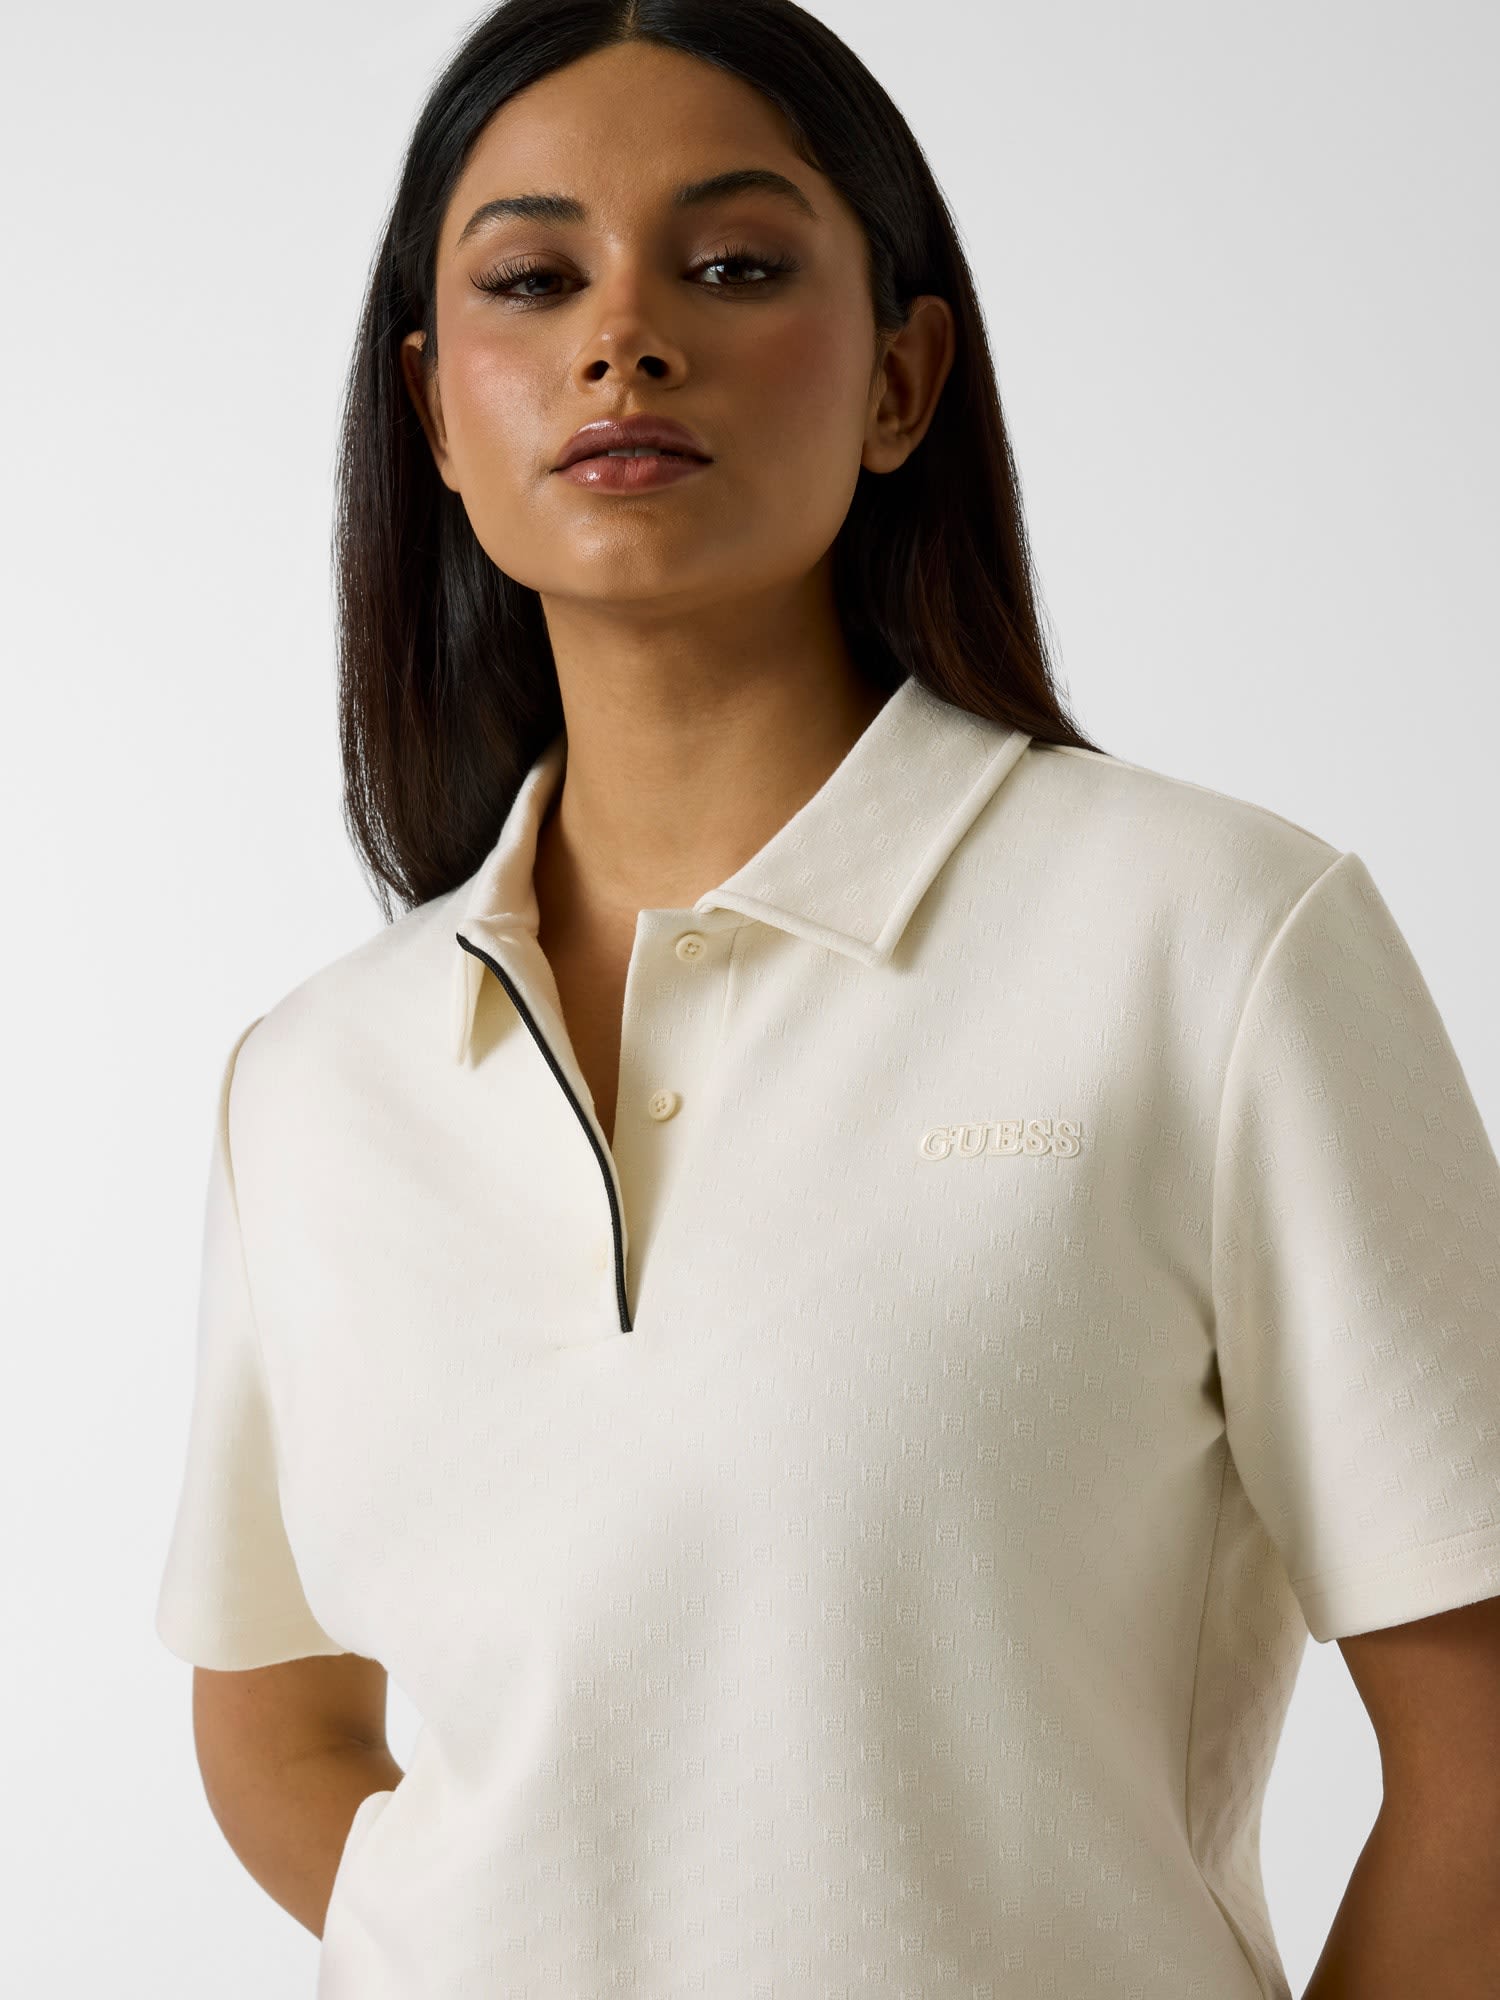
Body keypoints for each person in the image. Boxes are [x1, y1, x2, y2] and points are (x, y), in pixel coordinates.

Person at [154, 2, 1500, 1996]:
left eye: (731, 265)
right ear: (435, 409)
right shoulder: (311, 1079)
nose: (626, 337)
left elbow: (1479, 1752)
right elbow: (271, 1720)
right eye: (534, 279)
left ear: (901, 377)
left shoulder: (1214, 940)